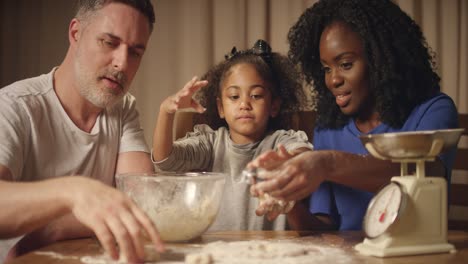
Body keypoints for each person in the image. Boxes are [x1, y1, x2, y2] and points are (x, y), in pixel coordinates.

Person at [248, 0, 459, 231]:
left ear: (381, 61)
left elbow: (427, 175)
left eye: (346, 64)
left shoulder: (433, 110)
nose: (333, 80)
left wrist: (327, 163)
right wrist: (289, 202)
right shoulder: (329, 127)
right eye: (326, 69)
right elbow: (324, 228)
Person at [0, 0, 165, 262]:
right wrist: (74, 193)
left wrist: (52, 229)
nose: (122, 63)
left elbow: (140, 200)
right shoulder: (14, 106)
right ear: (76, 33)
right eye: (109, 43)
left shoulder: (122, 108)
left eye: (135, 52)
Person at [152, 39, 314, 231]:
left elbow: (306, 158)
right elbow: (165, 162)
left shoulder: (281, 141)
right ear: (221, 107)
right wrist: (166, 112)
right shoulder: (209, 144)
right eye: (234, 97)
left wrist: (287, 162)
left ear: (274, 106)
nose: (244, 104)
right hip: (216, 252)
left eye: (256, 95)